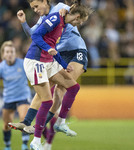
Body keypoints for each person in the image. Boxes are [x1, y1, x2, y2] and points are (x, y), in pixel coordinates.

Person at [11, 2, 90, 149]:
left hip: (71, 51)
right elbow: (34, 34)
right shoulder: (51, 19)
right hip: (41, 59)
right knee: (50, 96)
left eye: (36, 6)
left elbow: (73, 7)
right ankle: (36, 132)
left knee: (69, 88)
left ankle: (53, 124)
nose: (35, 10)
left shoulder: (61, 11)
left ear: (44, 1)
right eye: (33, 8)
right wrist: (24, 23)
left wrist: (65, 65)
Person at [0, 41, 31, 150]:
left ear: (15, 53)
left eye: (12, 51)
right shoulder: (0, 67)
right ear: (3, 54)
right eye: (7, 52)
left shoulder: (23, 63)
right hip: (9, 98)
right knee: (6, 125)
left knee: (23, 120)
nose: (10, 54)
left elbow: (33, 76)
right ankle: (7, 146)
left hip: (23, 96)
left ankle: (24, 145)